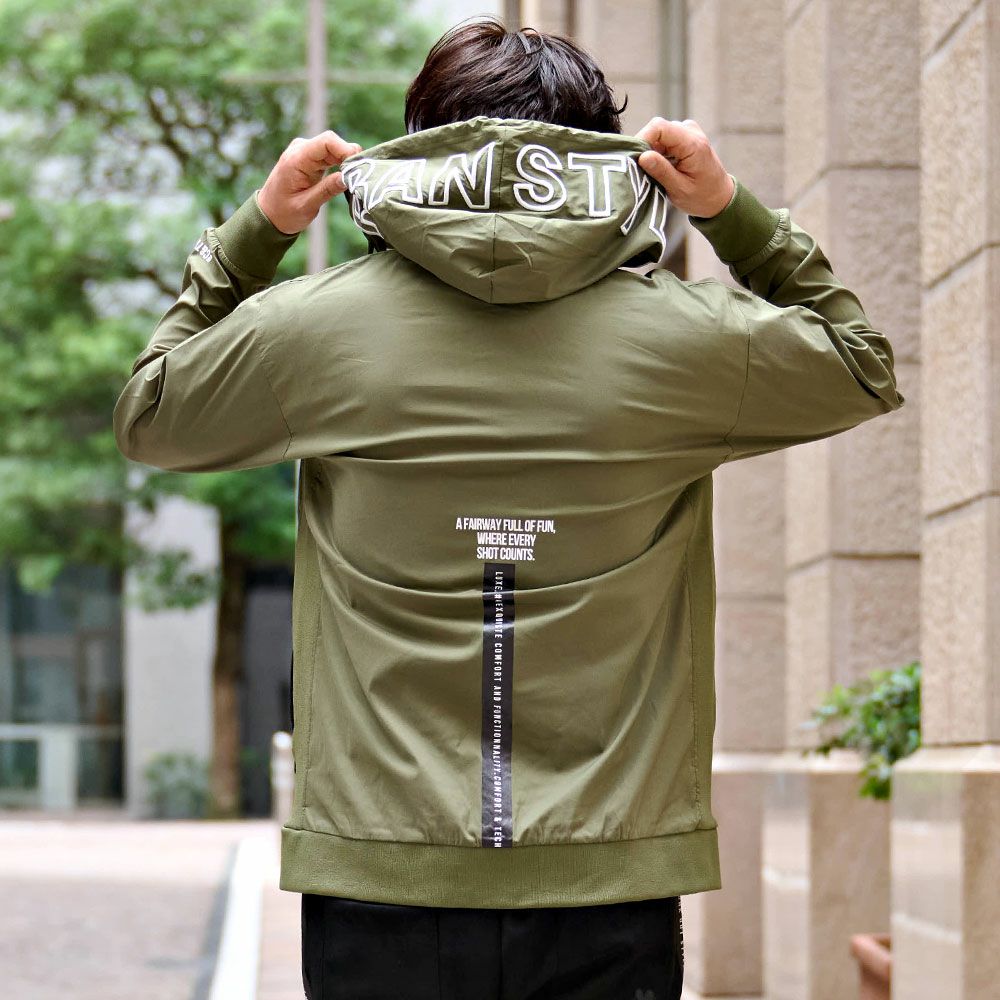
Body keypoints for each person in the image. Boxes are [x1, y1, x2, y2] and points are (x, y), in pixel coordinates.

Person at [113, 16, 905, 1000]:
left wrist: (256, 233)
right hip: (608, 876)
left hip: (378, 875)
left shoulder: (315, 331)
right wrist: (727, 210)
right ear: (608, 158)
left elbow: (150, 413)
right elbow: (861, 365)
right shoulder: (686, 341)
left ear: (422, 148)